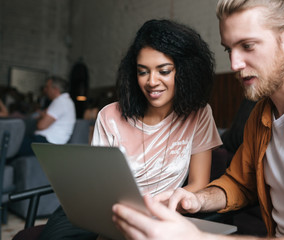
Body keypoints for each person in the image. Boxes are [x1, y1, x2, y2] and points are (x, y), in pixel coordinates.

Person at [111, 0, 284, 239]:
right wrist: (196, 199)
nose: (234, 63)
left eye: (248, 46)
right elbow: (240, 183)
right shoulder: (261, 114)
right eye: (229, 49)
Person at [37, 19, 222, 240]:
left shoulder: (199, 114)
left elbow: (198, 184)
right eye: (143, 72)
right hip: (100, 210)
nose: (152, 82)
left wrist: (161, 208)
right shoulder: (109, 116)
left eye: (163, 71)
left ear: (185, 72)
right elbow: (97, 185)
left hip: (155, 215)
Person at [17, 76, 76, 156]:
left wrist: (43, 117)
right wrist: (44, 115)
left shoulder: (61, 101)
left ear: (55, 89)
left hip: (47, 142)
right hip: (49, 141)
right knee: (12, 143)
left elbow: (41, 125)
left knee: (10, 144)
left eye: (47, 87)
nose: (45, 90)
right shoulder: (64, 101)